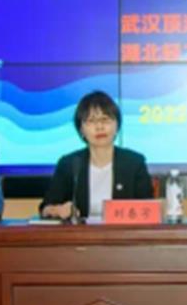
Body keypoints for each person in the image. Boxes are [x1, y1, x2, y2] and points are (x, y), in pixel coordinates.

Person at [39, 90, 153, 220]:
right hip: (80, 233)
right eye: (91, 121)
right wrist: (58, 210)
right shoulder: (69, 164)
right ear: (81, 130)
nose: (99, 127)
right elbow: (45, 208)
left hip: (122, 232)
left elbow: (148, 210)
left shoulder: (134, 163)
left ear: (117, 126)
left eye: (105, 120)